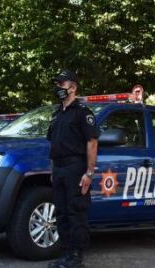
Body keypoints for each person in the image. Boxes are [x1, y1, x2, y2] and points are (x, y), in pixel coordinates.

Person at [46, 70, 99, 268]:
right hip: (59, 169)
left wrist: (89, 173)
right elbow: (54, 145)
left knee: (75, 211)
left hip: (75, 168)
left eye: (62, 84)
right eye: (57, 84)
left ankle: (76, 257)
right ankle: (66, 253)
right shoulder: (56, 114)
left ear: (73, 87)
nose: (58, 88)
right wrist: (52, 170)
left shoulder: (82, 113)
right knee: (60, 212)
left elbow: (92, 142)